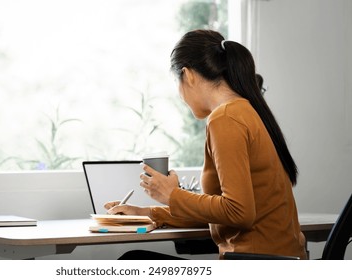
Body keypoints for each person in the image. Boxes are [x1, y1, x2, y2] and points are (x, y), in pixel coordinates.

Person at [105, 29, 307, 260]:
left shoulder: (225, 119)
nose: (180, 95)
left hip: (255, 264)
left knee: (133, 261)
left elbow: (239, 212)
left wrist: (172, 195)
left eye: (177, 82)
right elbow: (226, 211)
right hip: (279, 260)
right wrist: (149, 213)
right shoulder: (247, 111)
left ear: (187, 75)